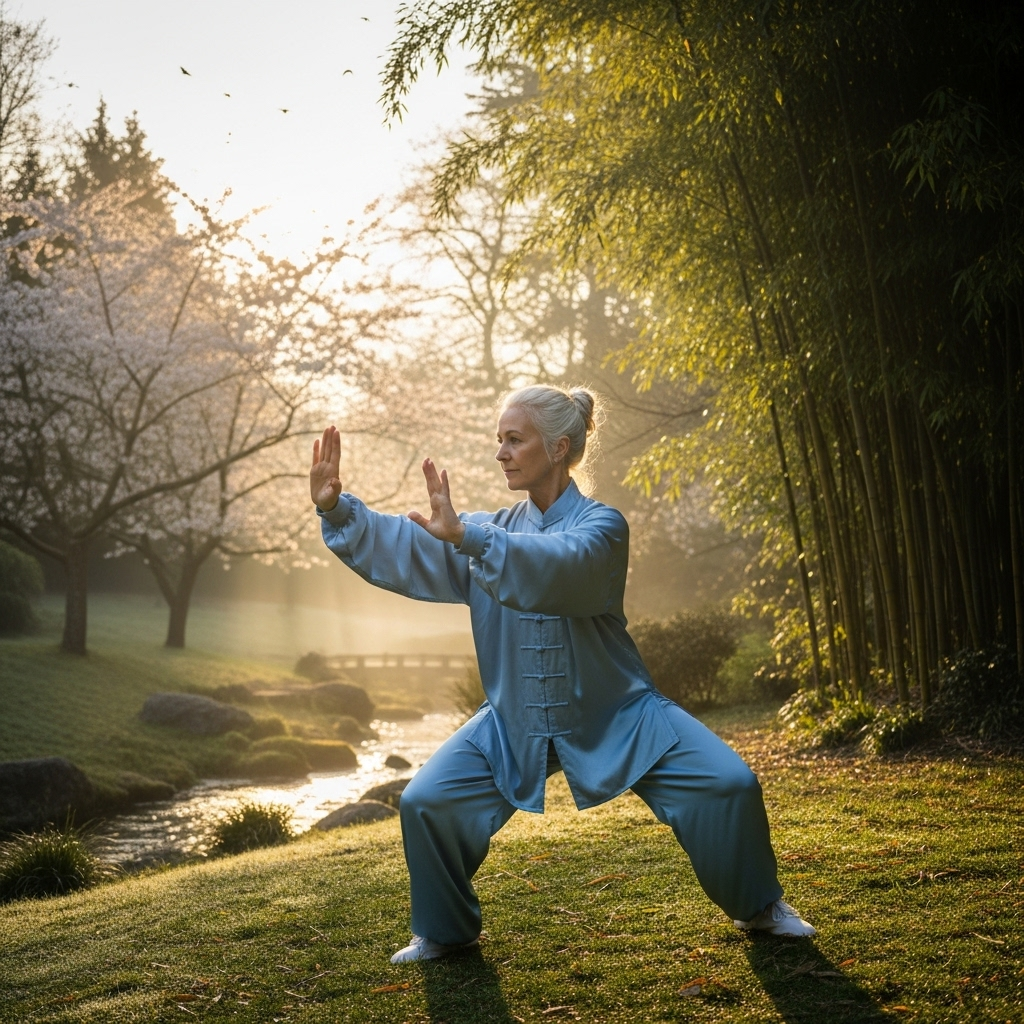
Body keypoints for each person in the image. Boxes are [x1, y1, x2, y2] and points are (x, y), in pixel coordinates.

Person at [309, 384, 815, 964]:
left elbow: (561, 568)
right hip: (512, 718)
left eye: (514, 439)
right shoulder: (485, 529)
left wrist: (469, 538)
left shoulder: (603, 527)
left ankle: (760, 906)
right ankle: (445, 931)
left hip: (618, 712)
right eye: (498, 439)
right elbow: (408, 543)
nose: (500, 452)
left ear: (559, 447)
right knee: (427, 801)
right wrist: (336, 509)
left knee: (730, 784)